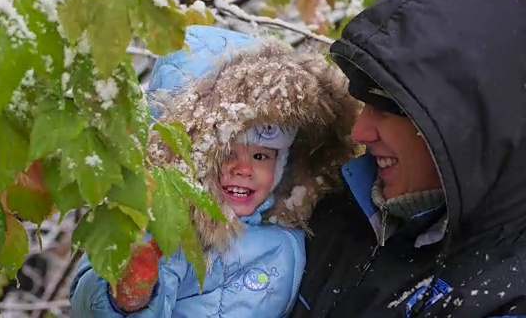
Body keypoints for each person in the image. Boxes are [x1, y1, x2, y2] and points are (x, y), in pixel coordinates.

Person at [68, 25, 358, 316]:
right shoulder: (160, 224)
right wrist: (125, 296)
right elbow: (86, 303)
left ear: (284, 165)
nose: (244, 169)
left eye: (261, 155)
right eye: (227, 154)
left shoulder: (285, 231)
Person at [291, 0, 526, 318]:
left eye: (389, 106)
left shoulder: (505, 292)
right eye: (362, 102)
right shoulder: (338, 209)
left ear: (471, 121)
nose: (361, 132)